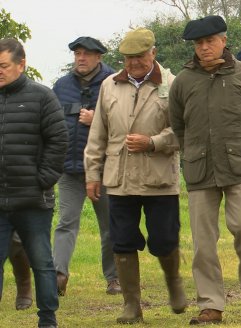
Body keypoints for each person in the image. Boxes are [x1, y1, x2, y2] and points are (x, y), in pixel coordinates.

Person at [169, 15, 241, 325]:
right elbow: (178, 125)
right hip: (200, 170)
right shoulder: (183, 81)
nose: (204, 47)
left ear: (224, 42)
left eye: (210, 41)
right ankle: (211, 304)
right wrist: (190, 153)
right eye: (199, 43)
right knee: (203, 242)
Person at [84, 28, 186, 324]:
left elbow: (182, 130)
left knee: (164, 240)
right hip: (119, 179)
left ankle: (174, 282)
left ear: (153, 52)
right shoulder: (108, 85)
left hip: (159, 179)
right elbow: (97, 134)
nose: (133, 64)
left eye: (139, 57)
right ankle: (132, 305)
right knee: (122, 240)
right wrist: (92, 173)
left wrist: (153, 142)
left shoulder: (173, 84)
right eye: (128, 58)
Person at [0, 38, 68, 328]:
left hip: (33, 200)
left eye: (3, 66)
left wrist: (43, 179)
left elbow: (59, 140)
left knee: (41, 263)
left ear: (21, 64)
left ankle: (47, 319)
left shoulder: (43, 96)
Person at [52, 36, 120, 296]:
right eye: (77, 53)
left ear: (99, 57)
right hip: (69, 169)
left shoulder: (114, 82)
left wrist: (97, 120)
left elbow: (126, 123)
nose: (81, 58)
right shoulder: (61, 86)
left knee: (109, 226)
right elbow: (52, 123)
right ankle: (59, 275)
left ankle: (113, 278)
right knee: (66, 222)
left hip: (103, 169)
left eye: (87, 54)